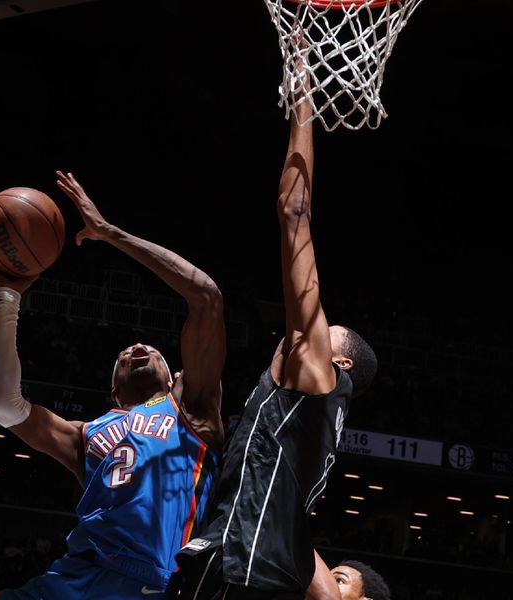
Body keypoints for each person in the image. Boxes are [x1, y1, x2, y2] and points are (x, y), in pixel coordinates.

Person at [170, 61, 378, 599]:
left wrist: (303, 95)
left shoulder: (316, 378)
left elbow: (294, 213)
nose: (316, 327)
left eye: (331, 330)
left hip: (242, 571)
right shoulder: (313, 418)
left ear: (342, 363)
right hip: (252, 570)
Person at [0, 170, 226, 599]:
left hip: (154, 585)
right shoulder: (84, 437)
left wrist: (110, 234)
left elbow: (205, 296)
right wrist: (7, 298)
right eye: (124, 355)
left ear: (174, 379)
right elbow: (5, 406)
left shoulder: (194, 411)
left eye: (151, 350)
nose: (136, 347)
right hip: (74, 578)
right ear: (113, 391)